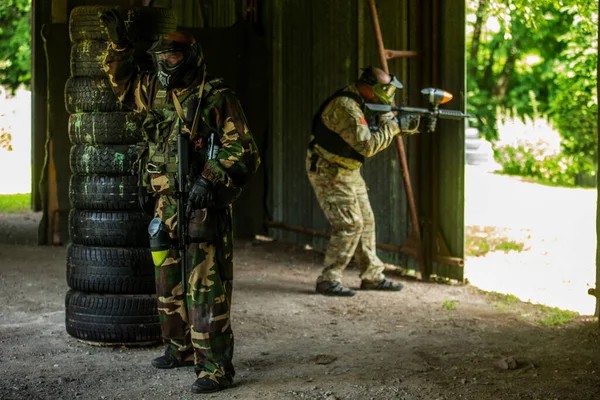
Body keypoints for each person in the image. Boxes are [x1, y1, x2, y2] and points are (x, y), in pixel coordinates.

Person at [100, 11, 260, 394]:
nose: (166, 62)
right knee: (167, 279)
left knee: (204, 287)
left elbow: (245, 150)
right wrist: (120, 46)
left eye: (173, 56)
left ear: (191, 56)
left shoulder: (216, 96)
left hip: (202, 205)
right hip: (164, 205)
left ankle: (215, 367)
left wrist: (210, 177)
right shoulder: (156, 90)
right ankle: (180, 348)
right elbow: (121, 83)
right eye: (162, 57)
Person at [307, 66, 419, 297]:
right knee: (350, 224)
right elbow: (368, 146)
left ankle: (372, 275)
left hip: (348, 169)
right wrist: (396, 126)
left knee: (366, 220)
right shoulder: (346, 107)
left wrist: (409, 126)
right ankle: (329, 279)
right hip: (329, 169)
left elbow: (387, 124)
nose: (388, 93)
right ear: (369, 87)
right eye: (384, 88)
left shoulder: (367, 101)